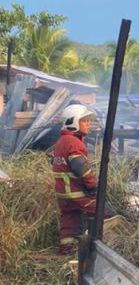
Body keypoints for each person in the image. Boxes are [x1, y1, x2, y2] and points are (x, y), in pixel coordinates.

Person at [51, 104, 98, 253]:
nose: (88, 124)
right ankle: (101, 248)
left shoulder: (60, 142)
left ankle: (66, 249)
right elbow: (80, 167)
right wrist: (92, 185)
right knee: (102, 212)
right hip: (77, 193)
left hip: (63, 194)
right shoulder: (73, 143)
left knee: (69, 221)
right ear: (74, 122)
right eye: (84, 120)